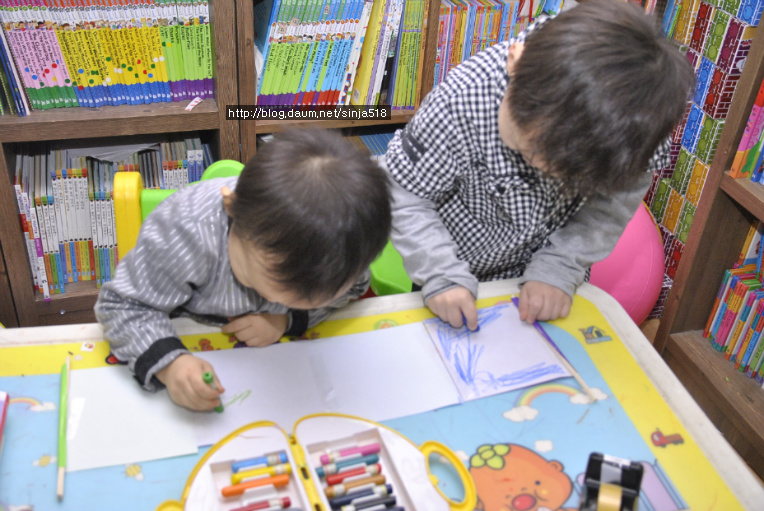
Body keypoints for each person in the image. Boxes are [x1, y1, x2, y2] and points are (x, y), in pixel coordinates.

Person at [384, 0, 694, 330]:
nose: (543, 171)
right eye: (527, 149)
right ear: (515, 63)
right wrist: (440, 273)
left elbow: (607, 209)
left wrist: (559, 266)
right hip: (449, 260)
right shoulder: (462, 97)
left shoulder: (636, 135)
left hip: (549, 267)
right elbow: (403, 192)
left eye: (568, 174)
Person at [95, 129, 392, 411]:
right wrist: (170, 364)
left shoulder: (342, 252)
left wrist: (286, 319)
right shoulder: (185, 231)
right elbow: (123, 305)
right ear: (231, 208)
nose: (277, 301)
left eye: (304, 301)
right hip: (182, 334)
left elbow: (355, 289)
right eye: (267, 286)